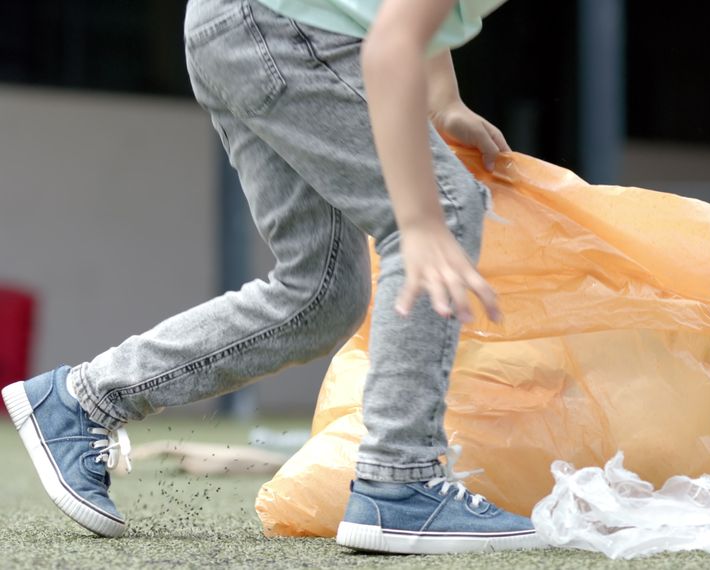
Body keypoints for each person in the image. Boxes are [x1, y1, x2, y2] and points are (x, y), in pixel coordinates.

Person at [1, 0, 546, 555]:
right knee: (445, 213)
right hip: (286, 32)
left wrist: (445, 99)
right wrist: (423, 222)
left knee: (321, 294)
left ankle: (83, 400)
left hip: (243, 30)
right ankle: (399, 482)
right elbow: (392, 43)